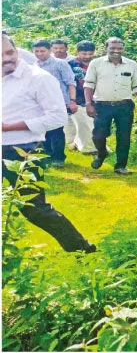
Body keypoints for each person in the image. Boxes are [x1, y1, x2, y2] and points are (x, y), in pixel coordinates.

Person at [2, 32, 96, 253]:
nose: (6, 58)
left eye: (9, 52)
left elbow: (57, 117)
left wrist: (8, 127)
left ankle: (82, 249)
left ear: (16, 50)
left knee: (35, 209)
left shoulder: (39, 78)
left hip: (23, 152)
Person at [84, 37, 137, 174]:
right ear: (106, 48)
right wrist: (88, 104)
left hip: (124, 106)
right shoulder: (96, 63)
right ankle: (101, 153)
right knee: (98, 135)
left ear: (123, 49)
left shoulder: (131, 64)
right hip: (102, 105)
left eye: (119, 48)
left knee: (124, 136)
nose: (116, 51)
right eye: (112, 48)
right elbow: (89, 85)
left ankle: (120, 166)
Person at [32, 38, 76, 167]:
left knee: (56, 130)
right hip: (39, 103)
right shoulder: (33, 65)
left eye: (43, 51)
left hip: (59, 102)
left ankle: (58, 158)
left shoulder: (60, 64)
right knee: (43, 130)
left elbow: (70, 83)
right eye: (37, 51)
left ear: (50, 50)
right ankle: (47, 156)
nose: (40, 53)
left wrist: (72, 101)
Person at [65, 41, 98, 154]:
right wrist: (70, 100)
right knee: (83, 123)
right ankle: (88, 149)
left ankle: (77, 143)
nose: (87, 57)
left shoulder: (98, 63)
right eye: (84, 54)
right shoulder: (70, 65)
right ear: (77, 52)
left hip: (95, 98)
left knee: (94, 124)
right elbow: (67, 83)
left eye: (90, 54)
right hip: (77, 99)